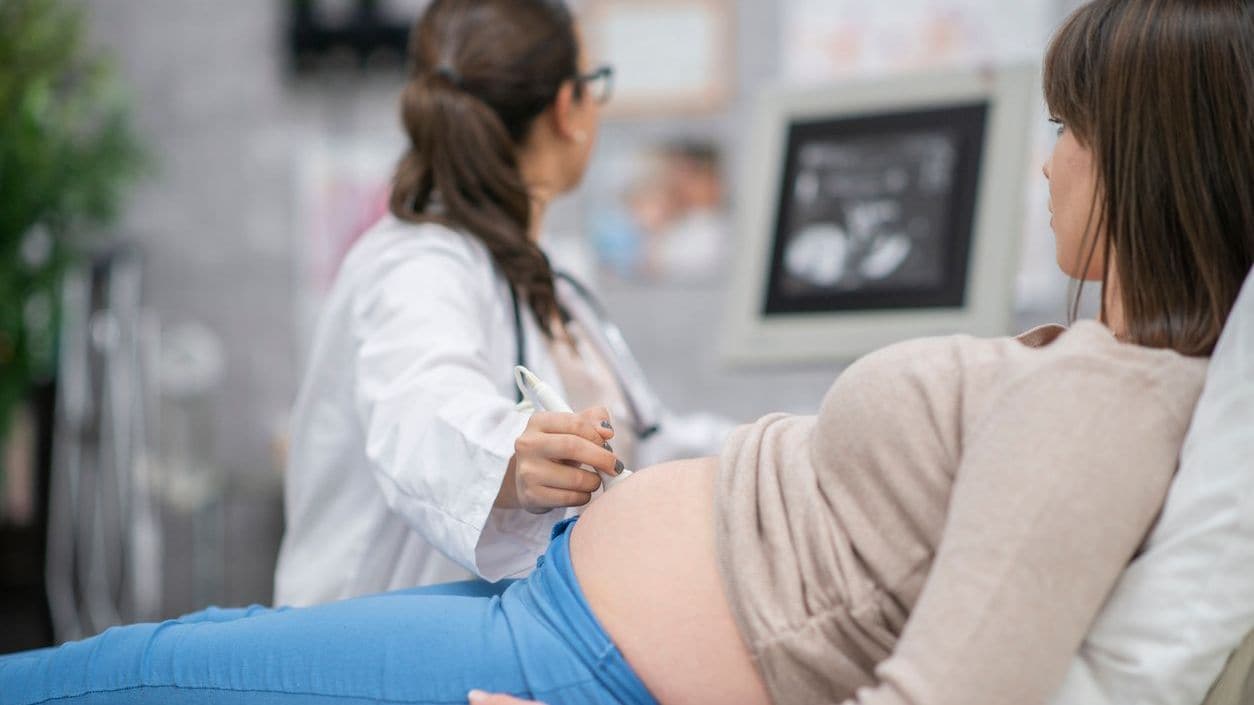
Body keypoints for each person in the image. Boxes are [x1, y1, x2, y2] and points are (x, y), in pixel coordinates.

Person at [3, 0, 1252, 703]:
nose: (1045, 158)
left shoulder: (1104, 401)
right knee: (151, 661)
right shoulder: (434, 265)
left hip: (571, 653)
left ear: (1145, 156)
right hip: (553, 606)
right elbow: (431, 404)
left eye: (1067, 125)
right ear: (565, 109)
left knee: (139, 675)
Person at [273, 0, 730, 606]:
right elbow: (422, 410)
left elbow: (645, 444)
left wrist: (781, 449)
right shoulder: (416, 264)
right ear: (569, 108)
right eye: (596, 84)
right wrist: (508, 461)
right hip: (371, 645)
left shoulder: (545, 275)